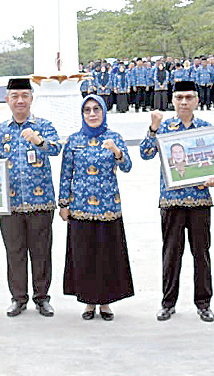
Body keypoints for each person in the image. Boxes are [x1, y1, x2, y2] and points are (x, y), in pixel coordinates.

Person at [140, 81, 214, 323]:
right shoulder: (164, 128)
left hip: (199, 201)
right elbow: (145, 153)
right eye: (179, 98)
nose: (184, 102)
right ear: (172, 101)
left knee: (201, 254)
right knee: (171, 254)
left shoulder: (205, 129)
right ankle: (168, 302)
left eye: (189, 97)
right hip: (171, 200)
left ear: (197, 100)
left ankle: (204, 303)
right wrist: (152, 128)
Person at [58, 94, 134, 321]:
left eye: (96, 109)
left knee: (106, 256)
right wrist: (63, 204)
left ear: (103, 112)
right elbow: (65, 174)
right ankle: (88, 302)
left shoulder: (114, 137)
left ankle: (106, 303)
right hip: (80, 208)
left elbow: (128, 166)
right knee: (85, 256)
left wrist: (117, 152)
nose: (92, 114)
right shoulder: (73, 140)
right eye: (87, 110)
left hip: (108, 208)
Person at [0, 78, 61, 318]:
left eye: (24, 96)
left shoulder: (44, 125)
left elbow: (55, 148)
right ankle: (18, 298)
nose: (20, 100)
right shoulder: (0, 131)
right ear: (7, 99)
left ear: (32, 98)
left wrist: (38, 140)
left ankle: (42, 298)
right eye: (14, 96)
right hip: (11, 205)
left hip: (40, 202)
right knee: (14, 252)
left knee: (41, 252)